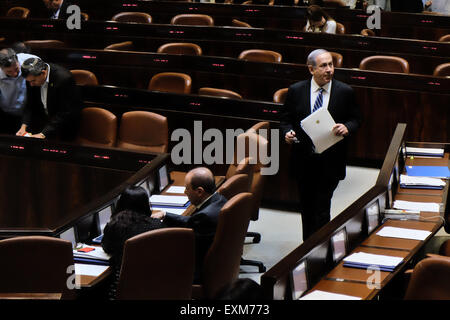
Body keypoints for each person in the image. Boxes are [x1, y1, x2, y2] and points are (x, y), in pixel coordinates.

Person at [280, 49, 361, 241]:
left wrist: (347, 127)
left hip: (330, 161)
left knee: (323, 208)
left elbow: (356, 119)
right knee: (307, 208)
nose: (329, 70)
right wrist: (287, 133)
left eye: (331, 64)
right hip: (303, 160)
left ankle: (322, 250)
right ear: (311, 69)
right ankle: (306, 247)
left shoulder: (345, 92)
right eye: (324, 65)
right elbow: (285, 119)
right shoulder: (296, 90)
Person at [151, 167, 227, 282]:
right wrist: (165, 214)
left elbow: (185, 248)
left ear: (199, 191)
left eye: (187, 188)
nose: (185, 192)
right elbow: (191, 220)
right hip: (220, 262)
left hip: (197, 270)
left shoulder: (204, 217)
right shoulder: (219, 199)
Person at [101, 186, 164, 299]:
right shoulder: (157, 225)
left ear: (121, 204)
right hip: (156, 286)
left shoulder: (115, 226)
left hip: (123, 289)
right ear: (146, 204)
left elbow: (107, 247)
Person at [18, 57, 81, 140]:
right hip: (44, 121)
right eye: (29, 81)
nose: (31, 84)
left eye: (33, 81)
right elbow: (30, 103)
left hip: (64, 125)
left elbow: (66, 111)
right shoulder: (31, 78)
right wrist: (24, 126)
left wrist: (44, 133)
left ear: (43, 73)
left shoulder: (64, 79)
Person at [0, 48, 38, 134]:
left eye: (16, 69)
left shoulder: (29, 61)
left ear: (18, 61)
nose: (14, 74)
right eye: (9, 71)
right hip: (4, 112)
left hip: (29, 111)